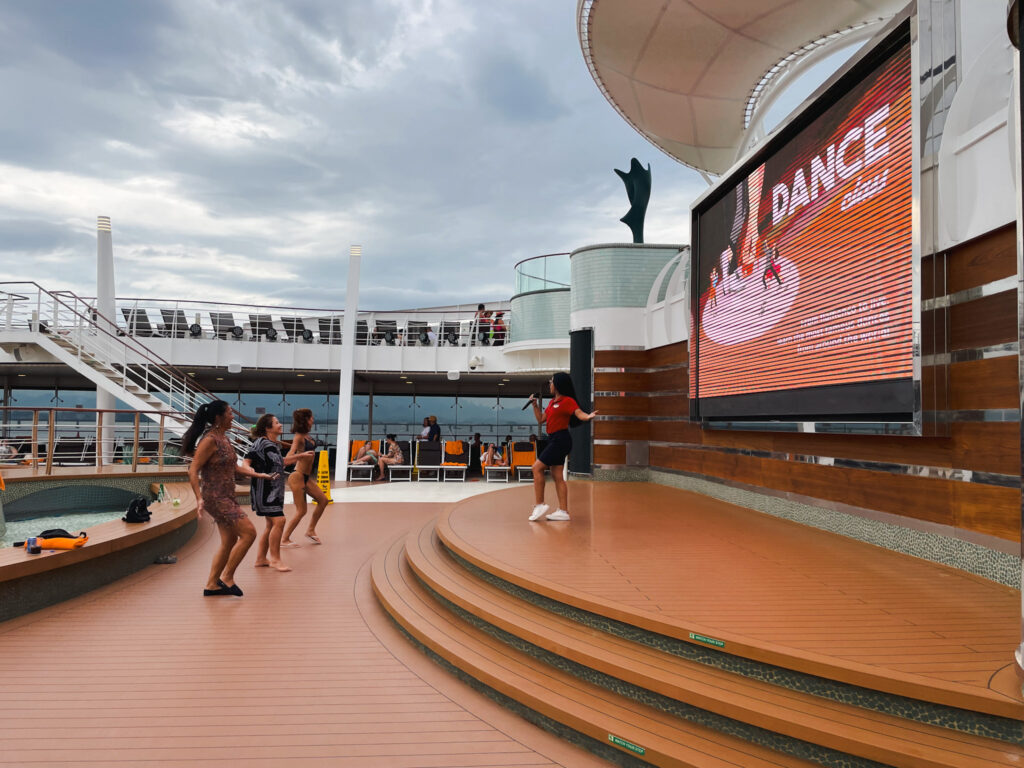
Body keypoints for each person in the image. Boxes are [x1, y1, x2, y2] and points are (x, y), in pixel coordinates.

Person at [183, 400, 274, 597]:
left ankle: (211, 585)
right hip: (216, 497)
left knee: (230, 539)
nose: (233, 416)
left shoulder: (223, 438)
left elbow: (233, 467)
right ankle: (227, 577)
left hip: (226, 495)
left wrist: (258, 475)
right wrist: (199, 498)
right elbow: (193, 470)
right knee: (249, 533)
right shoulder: (209, 440)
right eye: (230, 413)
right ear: (219, 417)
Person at [244, 414, 313, 572]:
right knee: (279, 521)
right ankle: (275, 559)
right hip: (265, 490)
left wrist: (300, 456)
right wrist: (251, 471)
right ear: (268, 428)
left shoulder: (273, 445)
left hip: (274, 490)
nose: (281, 425)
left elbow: (281, 462)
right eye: (277, 423)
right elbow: (247, 460)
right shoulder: (261, 443)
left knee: (271, 524)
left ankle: (261, 558)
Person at [527, 373, 598, 523]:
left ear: (557, 384)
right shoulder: (552, 403)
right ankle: (563, 511)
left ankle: (540, 504)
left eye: (551, 382)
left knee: (536, 468)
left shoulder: (568, 401)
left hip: (561, 439)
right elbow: (541, 419)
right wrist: (534, 405)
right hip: (553, 439)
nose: (549, 384)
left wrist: (588, 416)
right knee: (557, 476)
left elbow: (580, 414)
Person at [282, 408, 330, 546]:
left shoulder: (307, 435)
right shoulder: (298, 436)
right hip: (297, 477)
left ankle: (310, 530)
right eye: (311, 418)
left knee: (323, 500)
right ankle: (285, 539)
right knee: (301, 511)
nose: (313, 420)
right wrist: (301, 455)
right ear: (306, 420)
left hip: (306, 477)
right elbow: (289, 457)